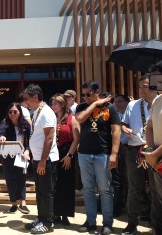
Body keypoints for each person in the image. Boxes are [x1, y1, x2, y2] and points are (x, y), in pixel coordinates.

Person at [75, 80, 121, 235]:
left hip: (103, 154)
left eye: (88, 94)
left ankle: (107, 223)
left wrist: (114, 154)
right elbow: (80, 119)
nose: (85, 97)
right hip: (84, 153)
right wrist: (94, 104)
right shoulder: (82, 107)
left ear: (96, 91)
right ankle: (90, 221)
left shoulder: (110, 108)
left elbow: (116, 132)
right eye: (83, 94)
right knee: (87, 189)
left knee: (105, 189)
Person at [121, 75, 162, 235]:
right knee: (134, 189)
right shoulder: (132, 105)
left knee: (156, 190)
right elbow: (124, 124)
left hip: (155, 150)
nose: (141, 89)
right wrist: (124, 128)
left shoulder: (161, 102)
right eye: (139, 86)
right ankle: (132, 223)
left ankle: (157, 224)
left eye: (145, 86)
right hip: (135, 150)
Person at [23, 84, 59, 234]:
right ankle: (41, 218)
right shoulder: (38, 111)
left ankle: (48, 223)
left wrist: (43, 160)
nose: (25, 102)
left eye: (27, 98)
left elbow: (49, 138)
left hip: (47, 159)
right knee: (40, 191)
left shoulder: (46, 113)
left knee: (47, 192)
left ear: (35, 97)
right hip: (39, 158)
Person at [141, 59, 162, 235]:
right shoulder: (157, 100)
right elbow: (149, 127)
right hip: (157, 160)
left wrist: (155, 154)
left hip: (160, 157)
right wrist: (150, 151)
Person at [0, 102, 30, 214]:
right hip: (8, 156)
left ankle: (23, 203)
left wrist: (27, 151)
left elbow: (30, 139)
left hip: (22, 155)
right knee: (10, 179)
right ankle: (13, 203)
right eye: (10, 112)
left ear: (20, 112)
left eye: (15, 112)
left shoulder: (25, 124)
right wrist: (1, 137)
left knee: (22, 179)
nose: (12, 114)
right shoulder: (5, 123)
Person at [50, 93, 79, 226]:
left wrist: (69, 155)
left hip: (67, 153)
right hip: (53, 153)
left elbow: (76, 139)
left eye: (55, 103)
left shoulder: (71, 119)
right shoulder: (51, 118)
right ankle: (55, 213)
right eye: (52, 103)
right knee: (54, 185)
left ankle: (65, 214)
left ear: (62, 105)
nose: (53, 106)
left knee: (66, 185)